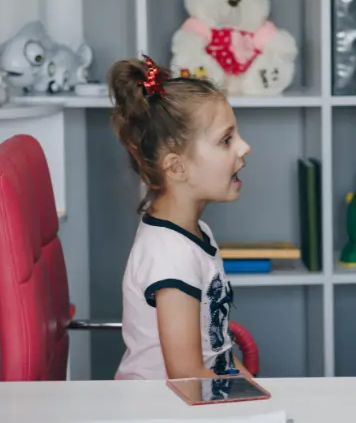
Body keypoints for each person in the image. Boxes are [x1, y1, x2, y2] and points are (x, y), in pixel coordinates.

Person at [107, 55, 252, 380]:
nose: (244, 147)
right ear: (177, 167)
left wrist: (262, 398)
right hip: (163, 409)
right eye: (226, 139)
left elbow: (219, 354)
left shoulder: (194, 233)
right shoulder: (170, 256)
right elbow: (187, 374)